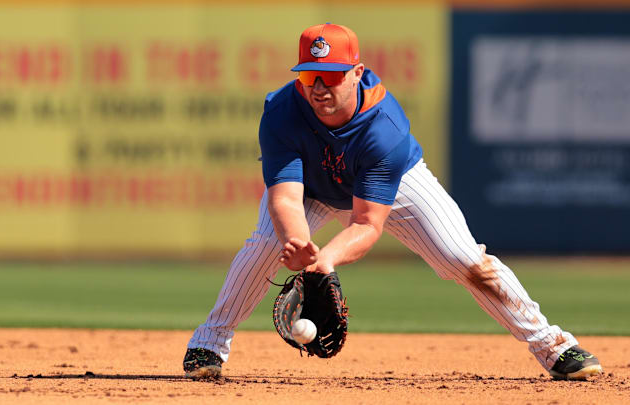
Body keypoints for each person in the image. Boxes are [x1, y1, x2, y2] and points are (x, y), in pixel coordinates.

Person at [182, 23, 602, 381]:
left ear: (356, 72)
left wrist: (323, 261)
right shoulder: (281, 112)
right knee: (267, 245)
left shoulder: (384, 128)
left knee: (462, 258)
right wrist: (299, 244)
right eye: (311, 76)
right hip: (313, 188)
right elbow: (287, 196)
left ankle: (553, 345)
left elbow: (366, 223)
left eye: (331, 75)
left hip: (392, 187)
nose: (320, 86)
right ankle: (209, 345)